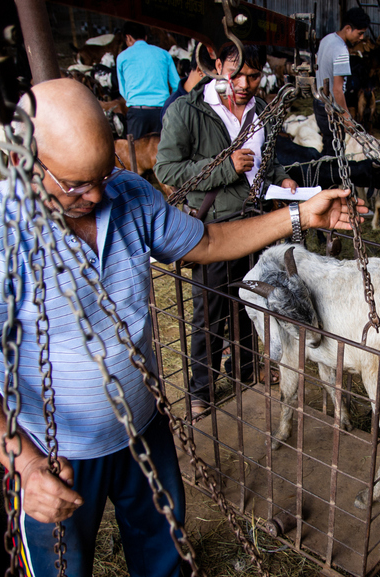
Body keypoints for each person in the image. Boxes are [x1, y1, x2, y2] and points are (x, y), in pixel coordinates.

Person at [0, 78, 365, 577]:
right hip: (53, 453)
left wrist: (298, 215)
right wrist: (25, 464)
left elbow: (206, 240)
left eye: (102, 174)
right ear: (25, 159)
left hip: (142, 427)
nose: (96, 195)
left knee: (163, 566)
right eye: (75, 184)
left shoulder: (129, 194)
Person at [155, 44, 297, 417]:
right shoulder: (187, 111)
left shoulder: (261, 111)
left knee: (251, 300)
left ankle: (246, 370)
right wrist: (224, 167)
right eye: (238, 74)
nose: (246, 84)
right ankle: (201, 390)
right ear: (218, 66)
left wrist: (282, 178)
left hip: (256, 223)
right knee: (209, 312)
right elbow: (166, 170)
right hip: (213, 229)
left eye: (254, 76)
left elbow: (267, 160)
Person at [313, 7, 370, 154]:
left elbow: (317, 66)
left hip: (319, 103)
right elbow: (337, 89)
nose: (362, 38)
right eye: (360, 33)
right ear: (348, 28)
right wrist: (346, 117)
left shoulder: (327, 39)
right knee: (335, 150)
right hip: (331, 109)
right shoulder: (341, 51)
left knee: (328, 144)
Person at [116, 21, 180, 139]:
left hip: (137, 113)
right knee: (165, 153)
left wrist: (136, 99)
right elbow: (176, 85)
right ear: (145, 37)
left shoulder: (122, 57)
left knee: (137, 154)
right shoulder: (164, 54)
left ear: (128, 38)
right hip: (162, 112)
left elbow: (123, 90)